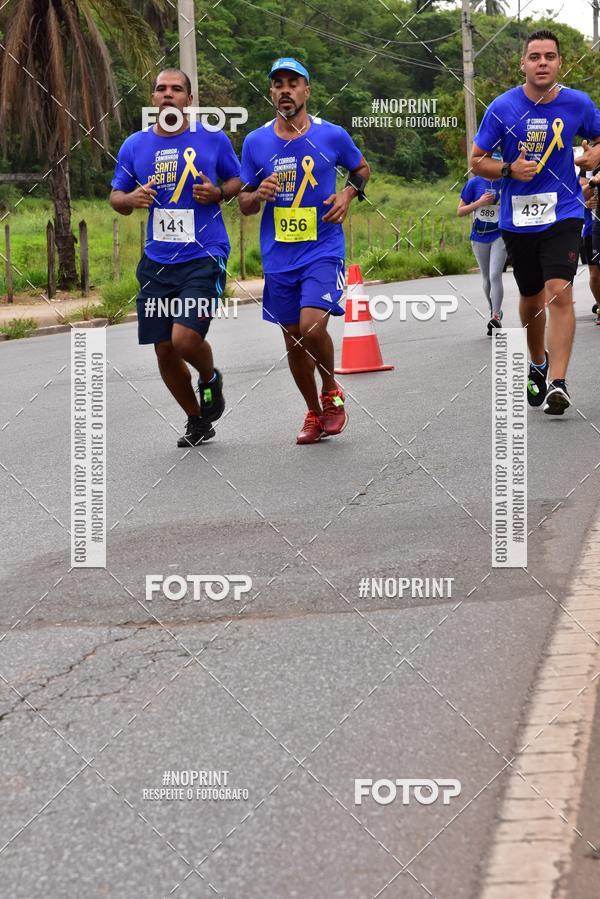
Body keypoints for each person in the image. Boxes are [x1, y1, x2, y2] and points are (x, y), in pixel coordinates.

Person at [238, 57, 370, 444]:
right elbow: (244, 202)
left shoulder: (332, 135)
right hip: (279, 255)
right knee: (293, 337)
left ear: (306, 91)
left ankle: (331, 390)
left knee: (312, 324)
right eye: (278, 83)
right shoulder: (256, 142)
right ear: (271, 93)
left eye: (293, 83)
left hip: (323, 247)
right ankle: (313, 412)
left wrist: (347, 194)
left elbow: (361, 168)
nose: (285, 90)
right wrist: (256, 194)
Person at [471, 29, 600, 415]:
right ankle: (538, 362)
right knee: (530, 299)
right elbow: (477, 161)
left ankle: (558, 382)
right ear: (523, 64)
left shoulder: (578, 103)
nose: (542, 62)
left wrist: (595, 155)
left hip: (563, 211)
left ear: (560, 62)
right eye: (534, 56)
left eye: (549, 56)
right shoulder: (502, 108)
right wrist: (509, 168)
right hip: (517, 218)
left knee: (559, 290)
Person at [110, 68, 241, 447]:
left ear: (189, 98)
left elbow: (237, 181)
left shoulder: (212, 139)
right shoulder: (134, 145)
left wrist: (217, 192)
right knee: (164, 349)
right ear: (153, 99)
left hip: (204, 254)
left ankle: (209, 377)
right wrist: (130, 200)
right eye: (161, 89)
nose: (168, 95)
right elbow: (116, 196)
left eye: (176, 89)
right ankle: (197, 421)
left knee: (184, 339)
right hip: (156, 262)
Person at [457, 168, 507, 336]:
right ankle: (494, 309)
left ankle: (495, 317)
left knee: (495, 275)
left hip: (500, 234)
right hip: (479, 237)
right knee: (486, 278)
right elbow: (460, 211)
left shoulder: (506, 182)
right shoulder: (474, 183)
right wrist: (479, 203)